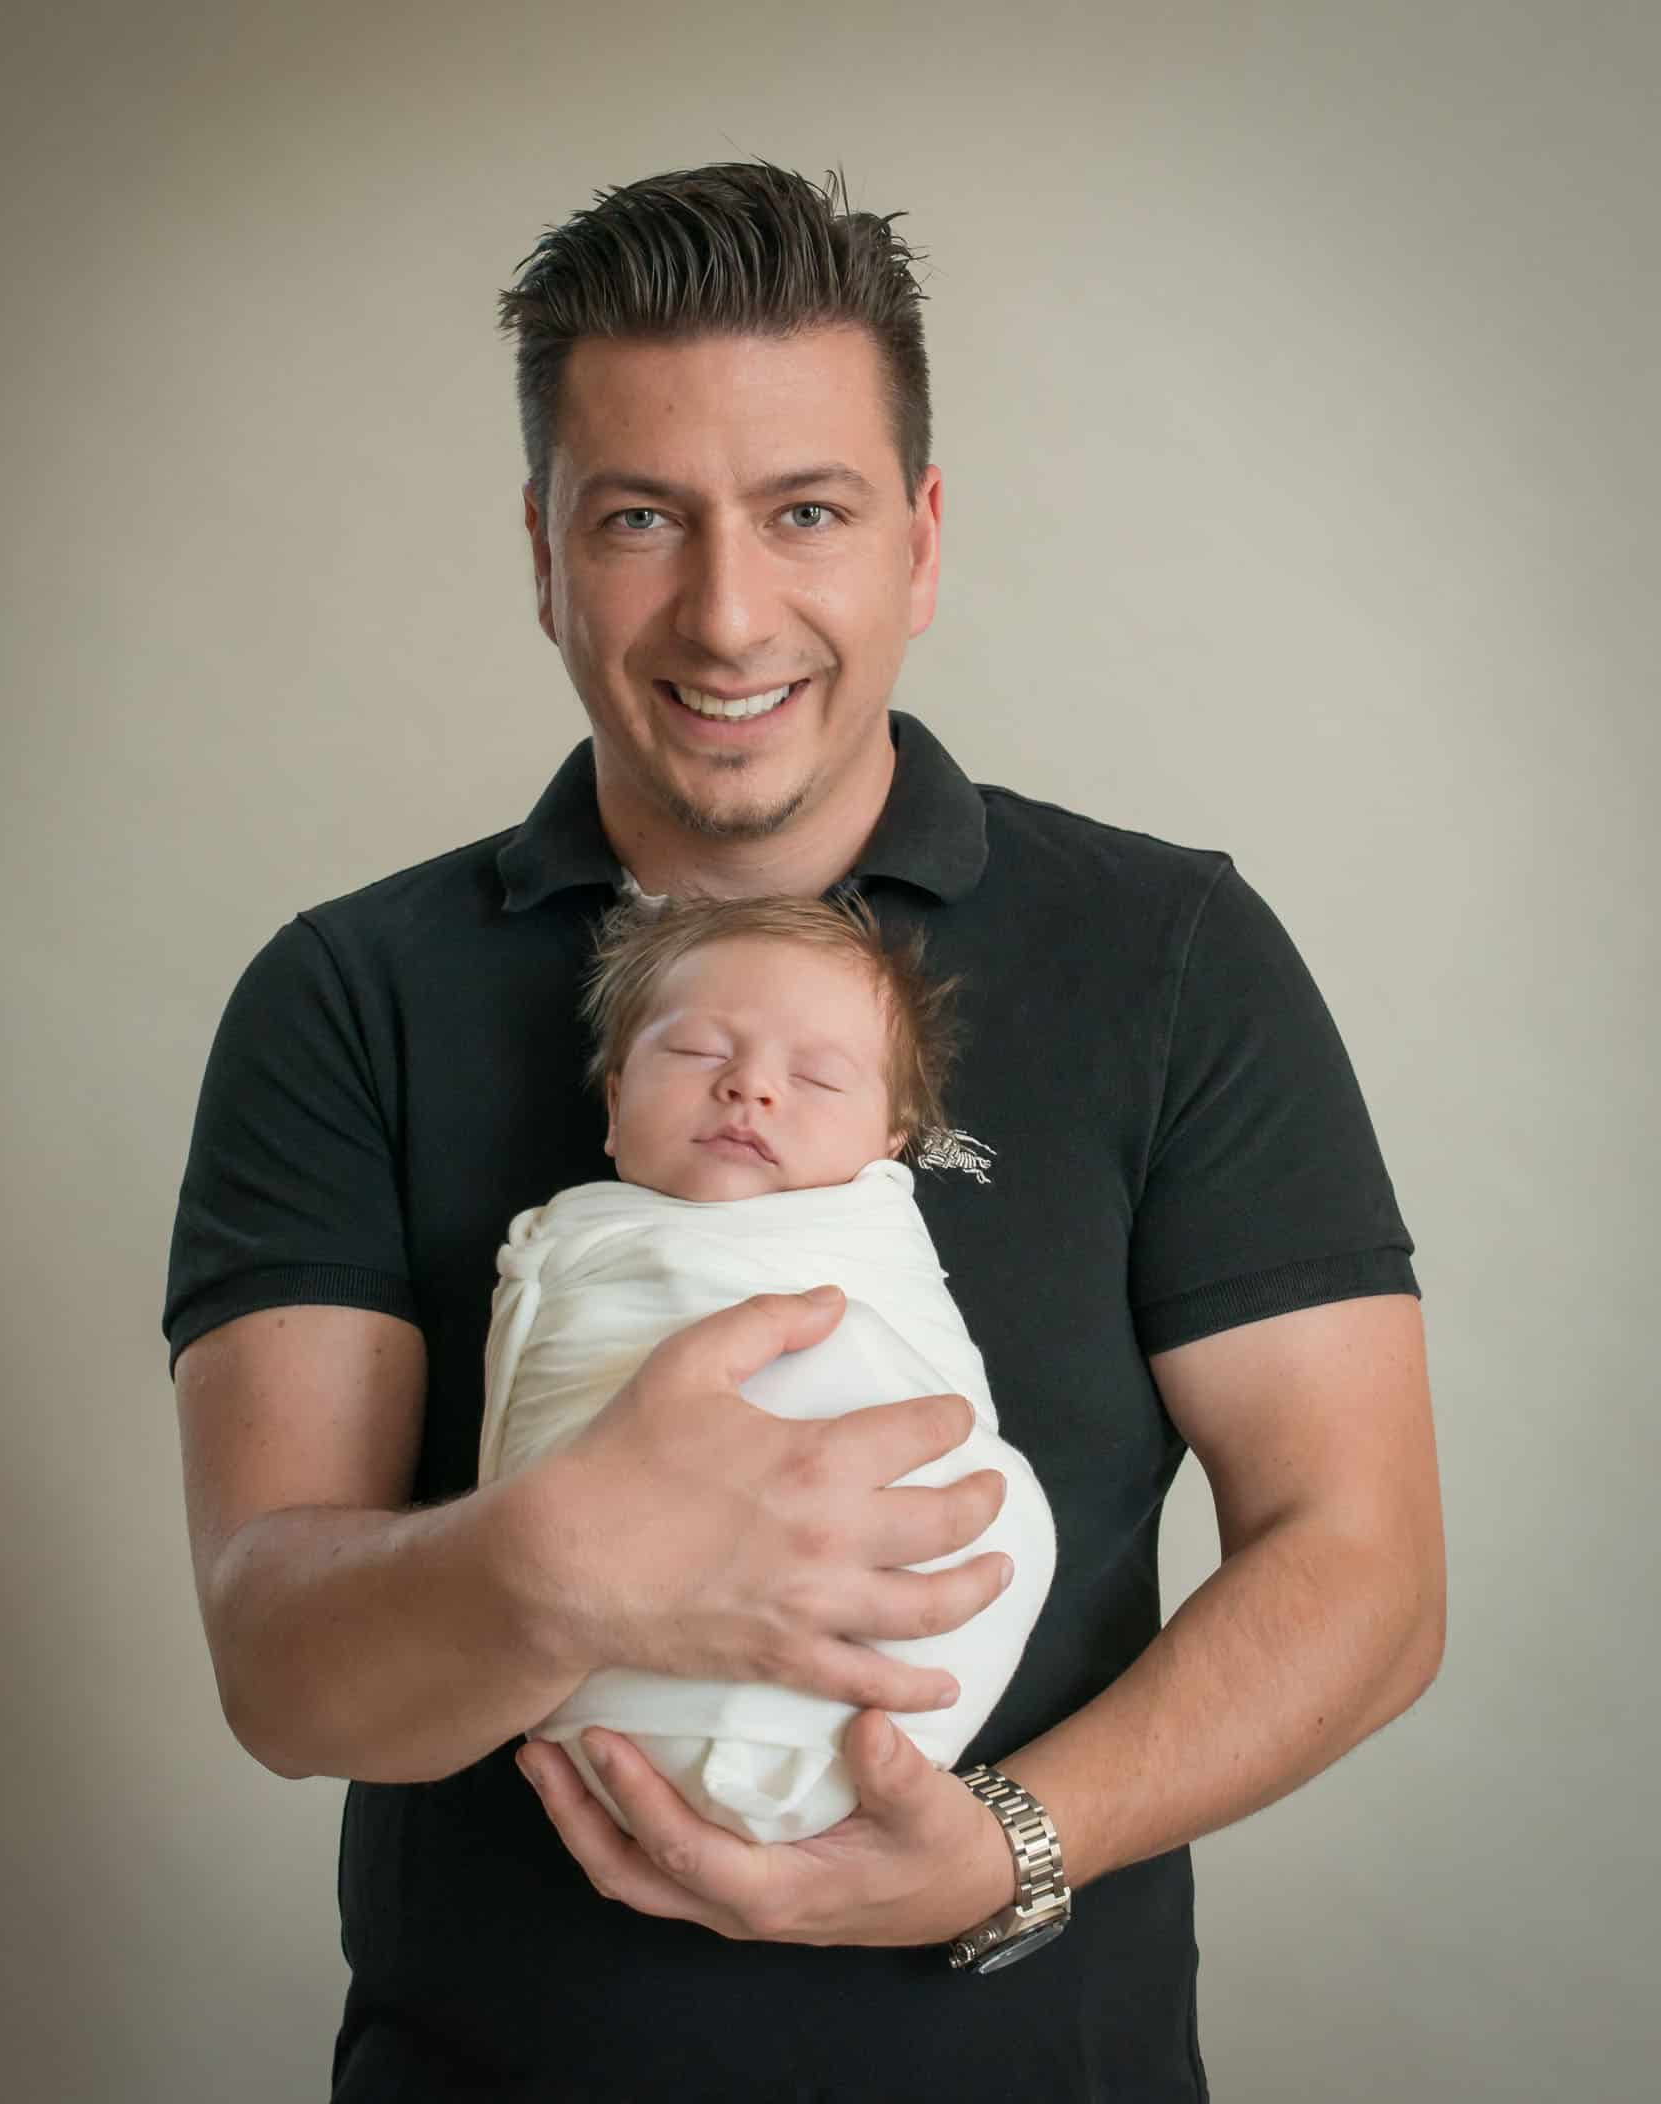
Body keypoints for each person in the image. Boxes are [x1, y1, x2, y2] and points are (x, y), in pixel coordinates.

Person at [165, 161, 1445, 2101]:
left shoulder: (1172, 955)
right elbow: (280, 1663)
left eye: (808, 510)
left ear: (921, 541)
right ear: (540, 550)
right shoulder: (349, 994)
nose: (727, 608)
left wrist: (1003, 1842)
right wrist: (560, 1568)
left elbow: (1363, 1558)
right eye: (639, 519)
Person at [484, 892, 1059, 1845]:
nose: (749, 1087)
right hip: (589, 1699)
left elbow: (939, 1427)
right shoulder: (571, 1244)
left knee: (1002, 1507)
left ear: (886, 1149)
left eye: (821, 1079)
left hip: (865, 1711)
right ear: (615, 1100)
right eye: (699, 1052)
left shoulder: (867, 1243)